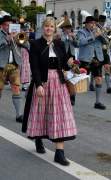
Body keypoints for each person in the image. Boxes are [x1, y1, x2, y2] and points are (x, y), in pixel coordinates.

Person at [22, 17, 77, 166]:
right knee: (41, 113)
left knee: (61, 114)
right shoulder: (36, 44)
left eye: (51, 26)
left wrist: (70, 63)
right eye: (46, 26)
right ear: (42, 28)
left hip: (58, 83)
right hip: (43, 82)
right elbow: (35, 67)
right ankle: (38, 138)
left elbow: (64, 62)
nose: (49, 29)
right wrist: (38, 85)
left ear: (55, 29)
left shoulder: (59, 43)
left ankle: (59, 153)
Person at [77, 16, 107, 110]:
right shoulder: (81, 32)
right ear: (86, 24)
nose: (93, 25)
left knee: (98, 79)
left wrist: (102, 35)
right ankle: (71, 96)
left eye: (94, 23)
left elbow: (105, 42)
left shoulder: (98, 31)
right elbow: (81, 42)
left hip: (97, 59)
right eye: (91, 23)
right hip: (85, 59)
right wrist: (94, 35)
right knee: (77, 80)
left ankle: (97, 102)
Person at [0, 15, 23, 122]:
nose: (9, 27)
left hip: (14, 65)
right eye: (7, 25)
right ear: (2, 26)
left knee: (16, 88)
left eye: (10, 25)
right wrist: (6, 39)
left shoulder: (16, 34)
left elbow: (27, 45)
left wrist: (22, 37)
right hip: (1, 66)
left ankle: (19, 114)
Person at [89, 15, 111, 94]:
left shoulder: (105, 28)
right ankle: (91, 83)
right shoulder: (94, 29)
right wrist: (102, 34)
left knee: (107, 67)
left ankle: (109, 87)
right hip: (96, 52)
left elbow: (109, 39)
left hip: (104, 51)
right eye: (101, 21)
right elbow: (98, 38)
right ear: (98, 21)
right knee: (95, 70)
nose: (102, 23)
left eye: (103, 22)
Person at [59, 17, 79, 105]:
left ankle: (72, 96)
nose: (68, 29)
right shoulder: (60, 35)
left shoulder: (73, 34)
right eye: (66, 28)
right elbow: (61, 42)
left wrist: (73, 38)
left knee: (73, 76)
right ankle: (64, 94)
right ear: (63, 28)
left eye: (69, 28)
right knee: (64, 76)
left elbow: (77, 44)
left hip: (72, 56)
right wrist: (67, 36)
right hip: (63, 57)